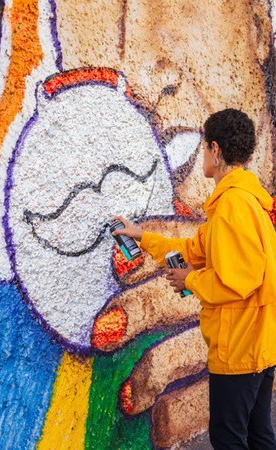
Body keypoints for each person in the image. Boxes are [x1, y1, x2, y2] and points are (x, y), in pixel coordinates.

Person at [113, 109, 276, 448]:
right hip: (259, 345)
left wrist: (191, 281)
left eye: (204, 147)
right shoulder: (246, 201)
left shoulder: (232, 206)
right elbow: (193, 248)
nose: (202, 155)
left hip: (239, 349)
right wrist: (143, 237)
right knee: (259, 435)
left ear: (216, 150)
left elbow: (240, 280)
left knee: (229, 438)